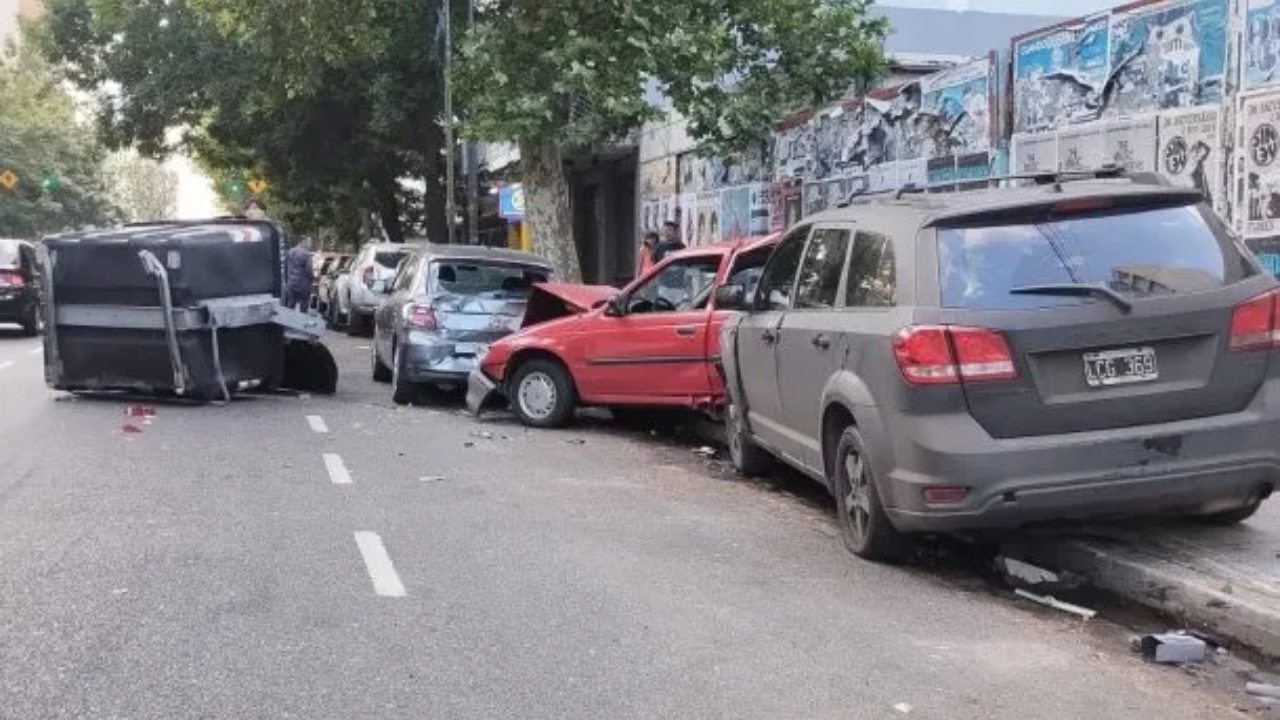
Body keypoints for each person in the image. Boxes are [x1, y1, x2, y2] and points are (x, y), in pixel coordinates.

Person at [283, 236, 315, 313]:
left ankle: (289, 322)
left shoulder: (290, 251)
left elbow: (285, 267)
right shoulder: (306, 254)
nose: (310, 245)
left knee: (290, 305)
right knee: (304, 305)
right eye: (309, 242)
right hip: (303, 284)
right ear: (303, 241)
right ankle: (301, 321)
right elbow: (309, 270)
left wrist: (286, 281)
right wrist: (312, 278)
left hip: (291, 283)